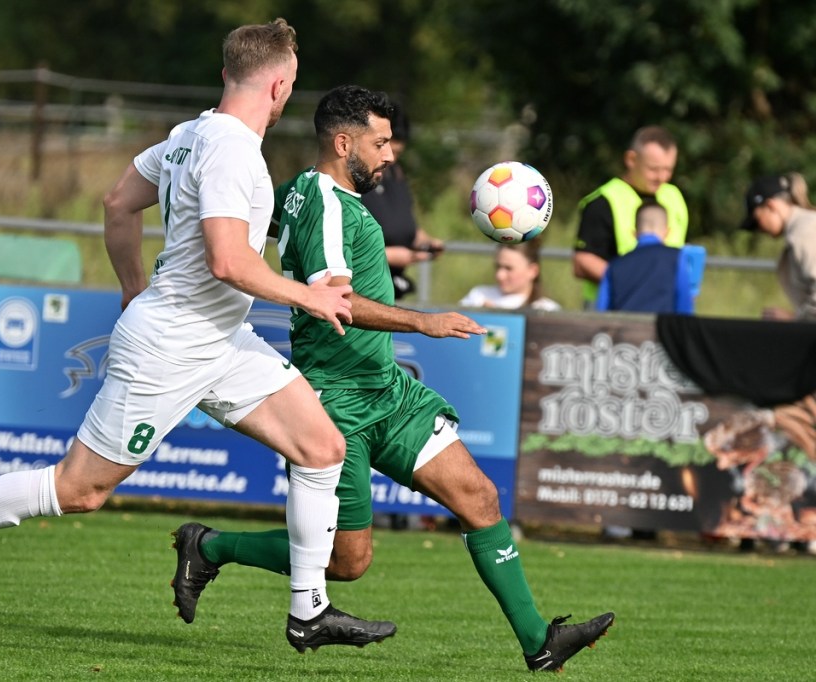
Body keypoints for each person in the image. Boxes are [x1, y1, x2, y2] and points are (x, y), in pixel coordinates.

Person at [0, 18, 396, 653]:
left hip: (220, 340)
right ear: (280, 86)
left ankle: (308, 610)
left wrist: (132, 287)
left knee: (321, 448)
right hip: (172, 345)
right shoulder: (231, 150)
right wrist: (307, 295)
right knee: (79, 489)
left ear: (226, 73)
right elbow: (228, 260)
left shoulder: (188, 135)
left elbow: (118, 201)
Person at [170, 84, 614, 671]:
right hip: (336, 402)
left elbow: (261, 224)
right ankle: (210, 546)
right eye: (379, 143)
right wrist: (422, 321)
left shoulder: (303, 193)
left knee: (479, 496)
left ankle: (540, 642)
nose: (389, 154)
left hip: (387, 389)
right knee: (347, 562)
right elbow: (335, 300)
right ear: (343, 142)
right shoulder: (325, 201)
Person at [573, 125, 689, 307]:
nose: (661, 177)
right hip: (610, 309)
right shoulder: (603, 201)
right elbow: (582, 262)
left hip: (663, 307)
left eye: (668, 169)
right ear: (631, 159)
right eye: (653, 169)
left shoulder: (674, 197)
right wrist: (634, 282)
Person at [359, 101, 444, 300]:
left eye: (398, 153)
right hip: (360, 289)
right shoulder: (353, 180)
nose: (391, 159)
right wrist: (387, 255)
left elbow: (404, 224)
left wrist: (425, 242)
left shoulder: (395, 174)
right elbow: (341, 246)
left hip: (389, 288)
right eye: (388, 150)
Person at [595, 201, 695, 314]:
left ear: (634, 233)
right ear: (667, 232)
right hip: (660, 325)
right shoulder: (677, 258)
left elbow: (602, 312)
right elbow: (684, 309)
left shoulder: (614, 265)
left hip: (623, 325)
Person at [741, 172, 816, 321]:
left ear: (771, 206)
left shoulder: (805, 233)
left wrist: (791, 319)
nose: (759, 229)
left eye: (757, 221)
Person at [459, 240, 561, 311]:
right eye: (498, 267)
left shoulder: (546, 310)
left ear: (532, 271)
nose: (500, 275)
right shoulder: (478, 296)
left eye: (509, 268)